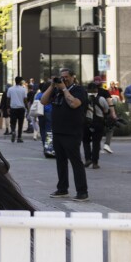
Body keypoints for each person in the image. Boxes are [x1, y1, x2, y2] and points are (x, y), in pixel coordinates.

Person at [40, 68, 89, 202]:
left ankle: (82, 191)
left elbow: (74, 104)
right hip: (58, 131)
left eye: (66, 77)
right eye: (62, 77)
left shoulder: (78, 90)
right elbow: (43, 101)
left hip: (72, 132)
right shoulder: (56, 91)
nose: (64, 79)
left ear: (73, 77)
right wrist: (52, 86)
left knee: (75, 162)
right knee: (60, 162)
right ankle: (62, 189)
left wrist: (65, 90)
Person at [82, 82, 111, 169]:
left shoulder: (83, 98)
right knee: (96, 143)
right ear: (97, 90)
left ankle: (87, 159)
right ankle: (95, 162)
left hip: (86, 123)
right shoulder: (101, 99)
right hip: (98, 123)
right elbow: (106, 110)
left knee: (86, 141)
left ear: (87, 90)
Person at [6, 76, 28, 143]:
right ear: (21, 81)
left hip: (13, 108)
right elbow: (25, 100)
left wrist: (8, 108)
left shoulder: (10, 89)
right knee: (20, 123)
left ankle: (13, 131)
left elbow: (8, 99)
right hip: (21, 108)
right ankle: (19, 137)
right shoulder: (23, 89)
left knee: (13, 122)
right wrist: (27, 107)